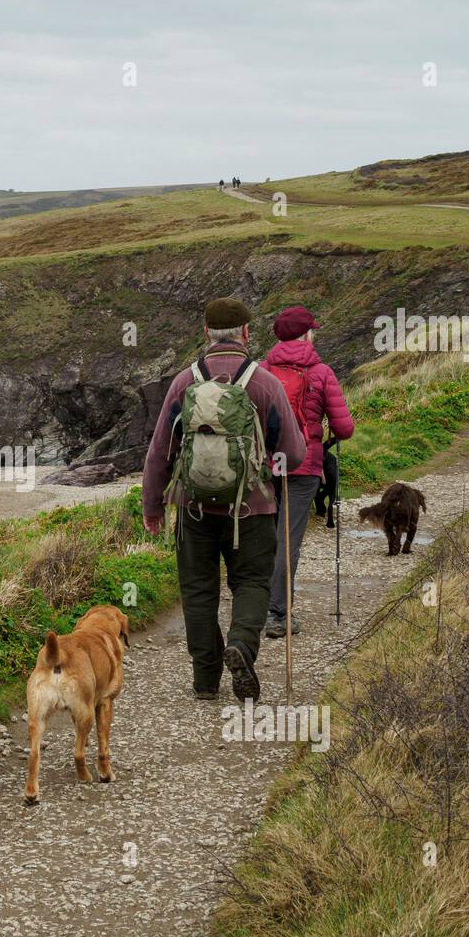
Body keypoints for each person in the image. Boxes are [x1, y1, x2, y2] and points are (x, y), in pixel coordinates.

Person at [142, 298, 306, 701]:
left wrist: (154, 506)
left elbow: (160, 449)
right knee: (251, 582)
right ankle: (242, 647)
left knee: (198, 592)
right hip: (252, 509)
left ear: (205, 334)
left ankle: (205, 681)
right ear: (247, 333)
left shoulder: (185, 381)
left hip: (194, 509)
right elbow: (295, 453)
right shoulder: (264, 382)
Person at [260, 307, 355, 638]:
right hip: (304, 465)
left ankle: (258, 604)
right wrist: (327, 434)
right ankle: (276, 614)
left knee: (268, 536)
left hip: (268, 463)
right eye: (311, 330)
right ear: (305, 335)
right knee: (290, 539)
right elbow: (345, 428)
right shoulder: (322, 372)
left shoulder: (262, 370)